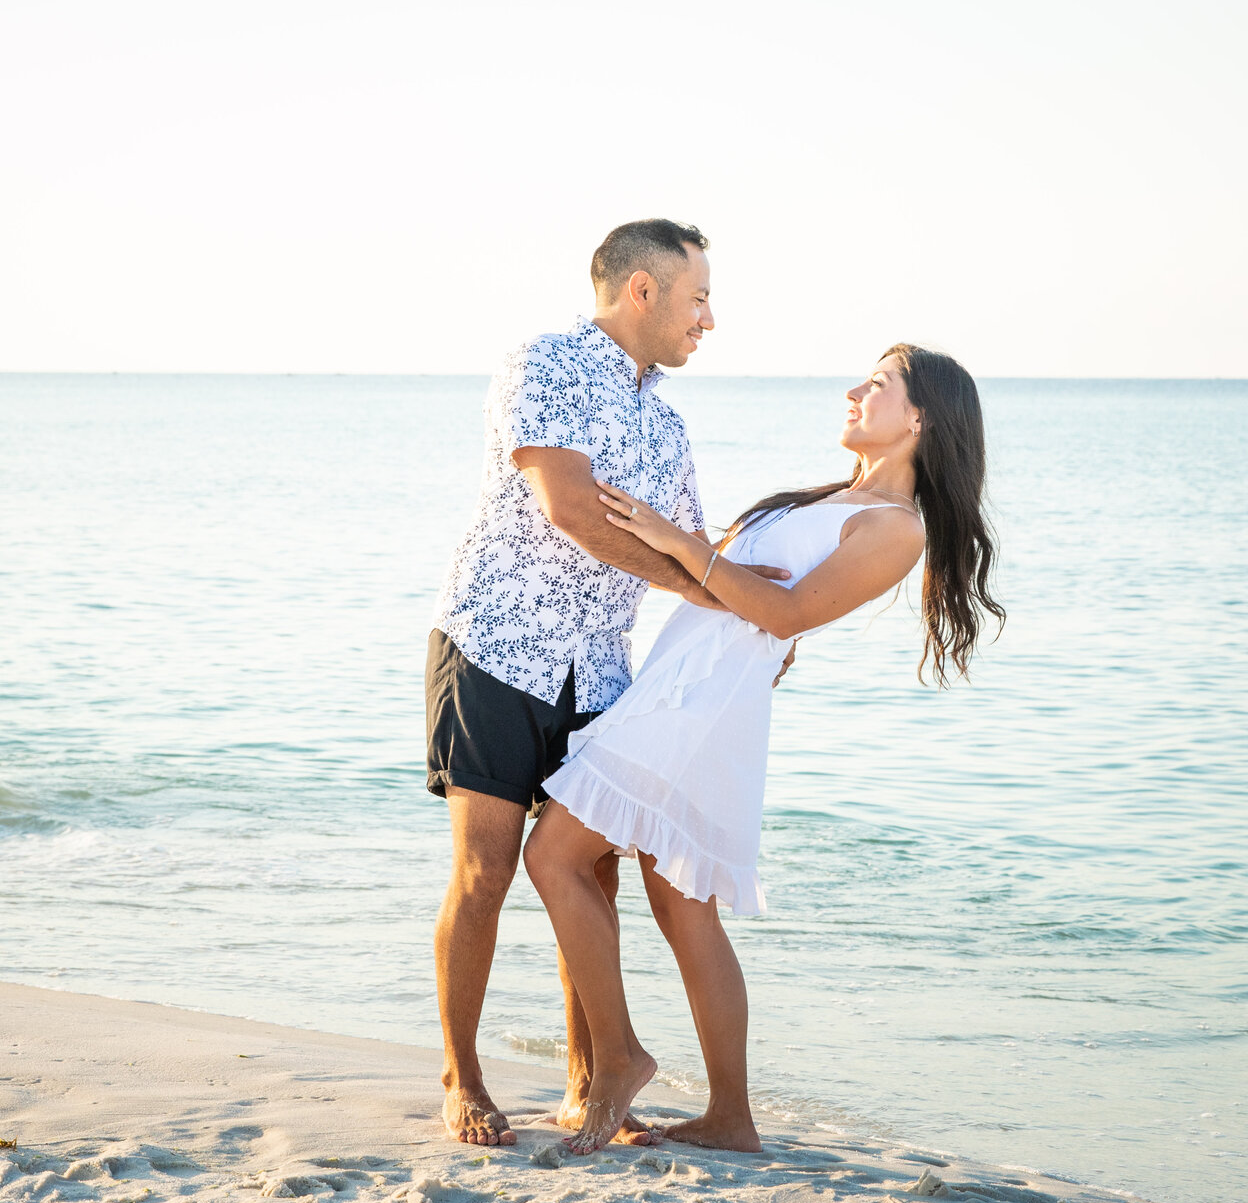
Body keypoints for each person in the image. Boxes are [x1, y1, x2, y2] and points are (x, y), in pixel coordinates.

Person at [525, 344, 1005, 1154]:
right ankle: (730, 1117)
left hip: (698, 708)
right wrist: (696, 557)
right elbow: (755, 601)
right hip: (684, 687)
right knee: (682, 905)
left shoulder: (895, 527)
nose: (856, 391)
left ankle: (620, 1058)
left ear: (920, 417)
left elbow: (784, 615)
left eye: (878, 384)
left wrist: (685, 544)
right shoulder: (828, 499)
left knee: (555, 857)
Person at [426, 218, 791, 1147]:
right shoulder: (544, 362)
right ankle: (462, 1079)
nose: (708, 317)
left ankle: (594, 1078)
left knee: (587, 873)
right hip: (499, 646)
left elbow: (701, 558)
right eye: (698, 295)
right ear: (643, 290)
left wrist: (758, 620)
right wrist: (702, 582)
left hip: (602, 669)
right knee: (487, 869)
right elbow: (573, 513)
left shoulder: (668, 426)